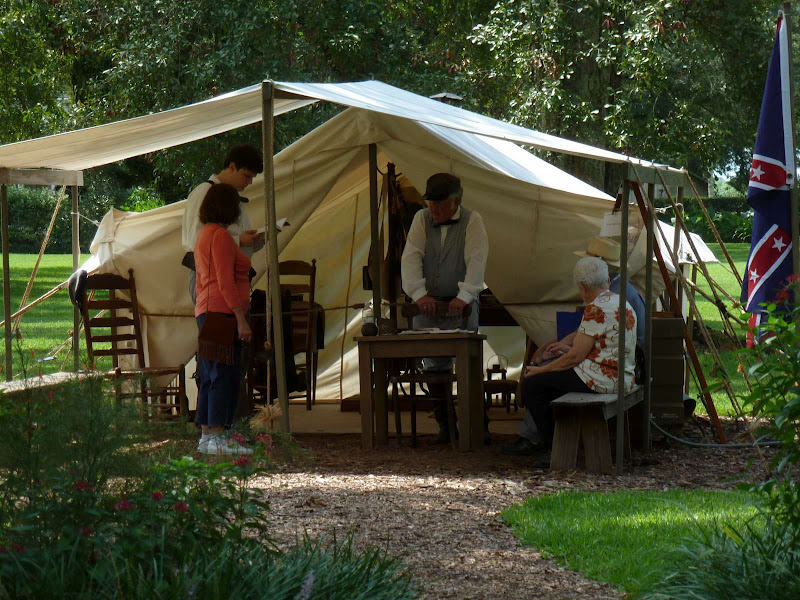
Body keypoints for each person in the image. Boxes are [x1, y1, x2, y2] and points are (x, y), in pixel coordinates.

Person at [499, 257, 637, 466]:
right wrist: (565, 350)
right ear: (607, 279)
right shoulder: (620, 302)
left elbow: (575, 357)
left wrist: (541, 372)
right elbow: (597, 344)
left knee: (534, 385)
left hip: (602, 379)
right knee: (550, 379)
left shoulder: (595, 308)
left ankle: (552, 447)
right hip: (622, 375)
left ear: (582, 287)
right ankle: (556, 441)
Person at [400, 172, 489, 444]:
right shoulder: (421, 219)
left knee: (468, 367)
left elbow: (477, 259)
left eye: (440, 204)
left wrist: (464, 297)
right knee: (434, 368)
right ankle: (445, 426)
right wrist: (418, 294)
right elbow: (411, 256)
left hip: (461, 304)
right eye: (431, 204)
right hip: (428, 305)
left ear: (456, 201)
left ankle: (478, 426)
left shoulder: (473, 221)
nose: (435, 210)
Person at [193, 183, 254, 455]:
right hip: (221, 311)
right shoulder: (220, 236)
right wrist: (240, 317)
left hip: (207, 309)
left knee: (209, 373)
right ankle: (218, 435)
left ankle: (207, 434)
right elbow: (225, 281)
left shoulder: (204, 234)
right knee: (223, 373)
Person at [181, 144, 265, 303]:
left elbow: (241, 237)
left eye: (252, 178)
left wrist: (256, 240)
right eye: (246, 176)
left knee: (231, 326)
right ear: (232, 167)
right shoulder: (204, 192)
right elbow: (196, 241)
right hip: (209, 278)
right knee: (216, 325)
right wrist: (239, 240)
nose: (250, 182)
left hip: (233, 276)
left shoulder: (233, 197)